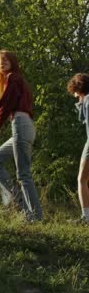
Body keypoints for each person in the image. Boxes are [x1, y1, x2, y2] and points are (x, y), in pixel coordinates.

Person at [0, 49, 42, 222]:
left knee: (24, 174)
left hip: (21, 125)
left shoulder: (14, 78)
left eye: (5, 59)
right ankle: (19, 202)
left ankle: (34, 217)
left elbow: (6, 103)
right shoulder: (17, 80)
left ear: (12, 61)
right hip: (22, 126)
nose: (2, 62)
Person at [67, 73, 89, 224]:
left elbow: (82, 118)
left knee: (81, 179)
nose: (75, 95)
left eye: (75, 92)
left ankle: (86, 218)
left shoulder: (87, 101)